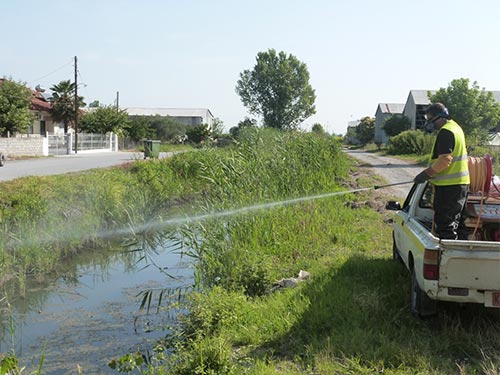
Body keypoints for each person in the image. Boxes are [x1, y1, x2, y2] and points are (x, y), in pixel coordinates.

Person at [414, 103, 470, 240]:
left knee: (446, 226)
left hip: (449, 187)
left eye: (430, 119)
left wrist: (427, 173)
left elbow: (445, 160)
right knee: (459, 224)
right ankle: (461, 256)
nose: (429, 123)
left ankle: (448, 258)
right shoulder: (456, 128)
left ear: (440, 117)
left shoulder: (446, 132)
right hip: (461, 185)